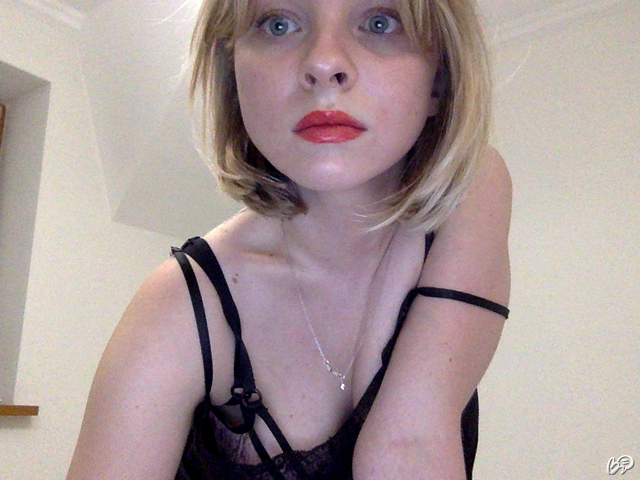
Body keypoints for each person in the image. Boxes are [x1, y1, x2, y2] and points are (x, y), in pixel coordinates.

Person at [67, 0, 511, 478]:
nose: (323, 63)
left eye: (380, 22)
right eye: (278, 24)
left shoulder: (474, 191)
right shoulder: (180, 307)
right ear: (234, 77)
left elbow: (407, 445)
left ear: (439, 82)